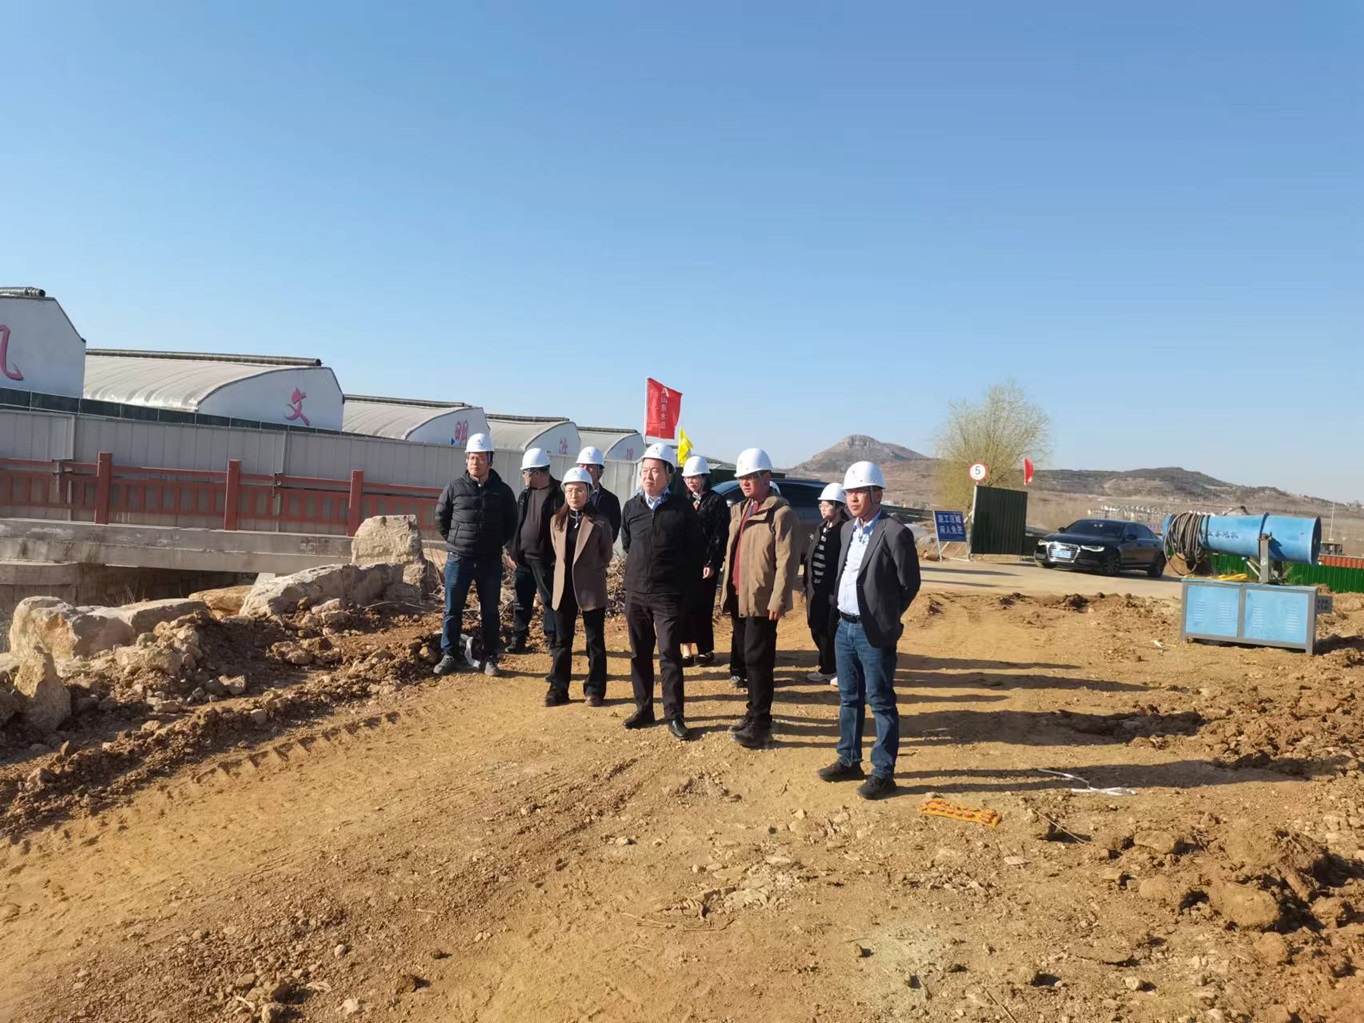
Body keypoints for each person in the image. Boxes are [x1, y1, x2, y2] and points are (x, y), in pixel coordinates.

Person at [819, 460, 921, 800]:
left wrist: (885, 616)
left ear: (877, 494)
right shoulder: (847, 529)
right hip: (844, 627)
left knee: (880, 701)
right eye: (849, 492)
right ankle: (849, 760)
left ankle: (883, 772)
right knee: (849, 698)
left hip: (873, 632)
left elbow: (910, 584)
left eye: (860, 492)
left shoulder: (895, 532)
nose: (852, 498)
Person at [619, 442, 704, 740]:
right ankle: (644, 708)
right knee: (639, 653)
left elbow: (695, 551)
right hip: (636, 593)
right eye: (644, 471)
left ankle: (674, 715)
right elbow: (627, 544)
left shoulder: (682, 509)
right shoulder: (632, 507)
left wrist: (683, 590)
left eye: (655, 471)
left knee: (669, 654)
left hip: (668, 595)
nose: (648, 476)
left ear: (669, 473)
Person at [719, 447, 798, 749]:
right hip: (740, 595)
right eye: (742, 477)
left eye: (750, 477)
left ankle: (761, 723)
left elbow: (787, 561)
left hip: (762, 600)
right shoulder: (741, 510)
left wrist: (779, 599)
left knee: (759, 662)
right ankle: (752, 714)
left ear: (766, 477)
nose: (744, 482)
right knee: (746, 658)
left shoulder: (780, 513)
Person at [433, 432, 517, 677]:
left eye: (480, 458)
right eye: (471, 457)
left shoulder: (502, 491)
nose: (475, 462)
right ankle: (449, 654)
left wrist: (496, 544)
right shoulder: (455, 488)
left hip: (489, 561)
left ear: (490, 460)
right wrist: (456, 540)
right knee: (452, 610)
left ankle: (489, 656)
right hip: (459, 559)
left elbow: (511, 522)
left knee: (490, 610)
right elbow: (441, 517)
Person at [546, 467, 614, 707]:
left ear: (589, 492)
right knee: (562, 641)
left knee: (594, 641)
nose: (574, 495)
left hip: (590, 588)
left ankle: (595, 689)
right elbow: (557, 552)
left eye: (579, 490)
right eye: (570, 490)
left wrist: (588, 570)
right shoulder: (556, 521)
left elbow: (606, 554)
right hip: (563, 589)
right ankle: (558, 689)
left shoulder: (600, 522)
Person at [507, 447, 563, 654]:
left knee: (549, 600)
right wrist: (512, 551)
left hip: (546, 560)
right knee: (521, 600)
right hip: (523, 558)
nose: (524, 476)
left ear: (536, 473)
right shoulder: (525, 495)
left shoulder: (559, 496)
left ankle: (552, 639)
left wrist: (558, 557)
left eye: (525, 472)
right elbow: (516, 523)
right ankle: (518, 638)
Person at [678, 455, 728, 668]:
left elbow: (720, 535)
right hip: (684, 564)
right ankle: (686, 651)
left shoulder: (716, 501)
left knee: (703, 607)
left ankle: (705, 649)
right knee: (684, 607)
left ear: (704, 478)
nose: (691, 482)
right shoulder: (683, 501)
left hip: (706, 564)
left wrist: (712, 562)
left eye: (695, 477)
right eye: (688, 478)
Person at [804, 483, 849, 685]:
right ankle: (829, 665)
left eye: (826, 505)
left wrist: (834, 591)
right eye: (820, 505)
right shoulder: (822, 527)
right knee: (816, 627)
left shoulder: (845, 530)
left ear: (839, 507)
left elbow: (842, 565)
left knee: (828, 631)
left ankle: (830, 668)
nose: (822, 509)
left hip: (830, 591)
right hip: (815, 588)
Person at [576, 445, 622, 542]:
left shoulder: (611, 501)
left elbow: (612, 534)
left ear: (600, 472)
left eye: (591, 467)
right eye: (582, 466)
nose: (585, 470)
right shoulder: (567, 497)